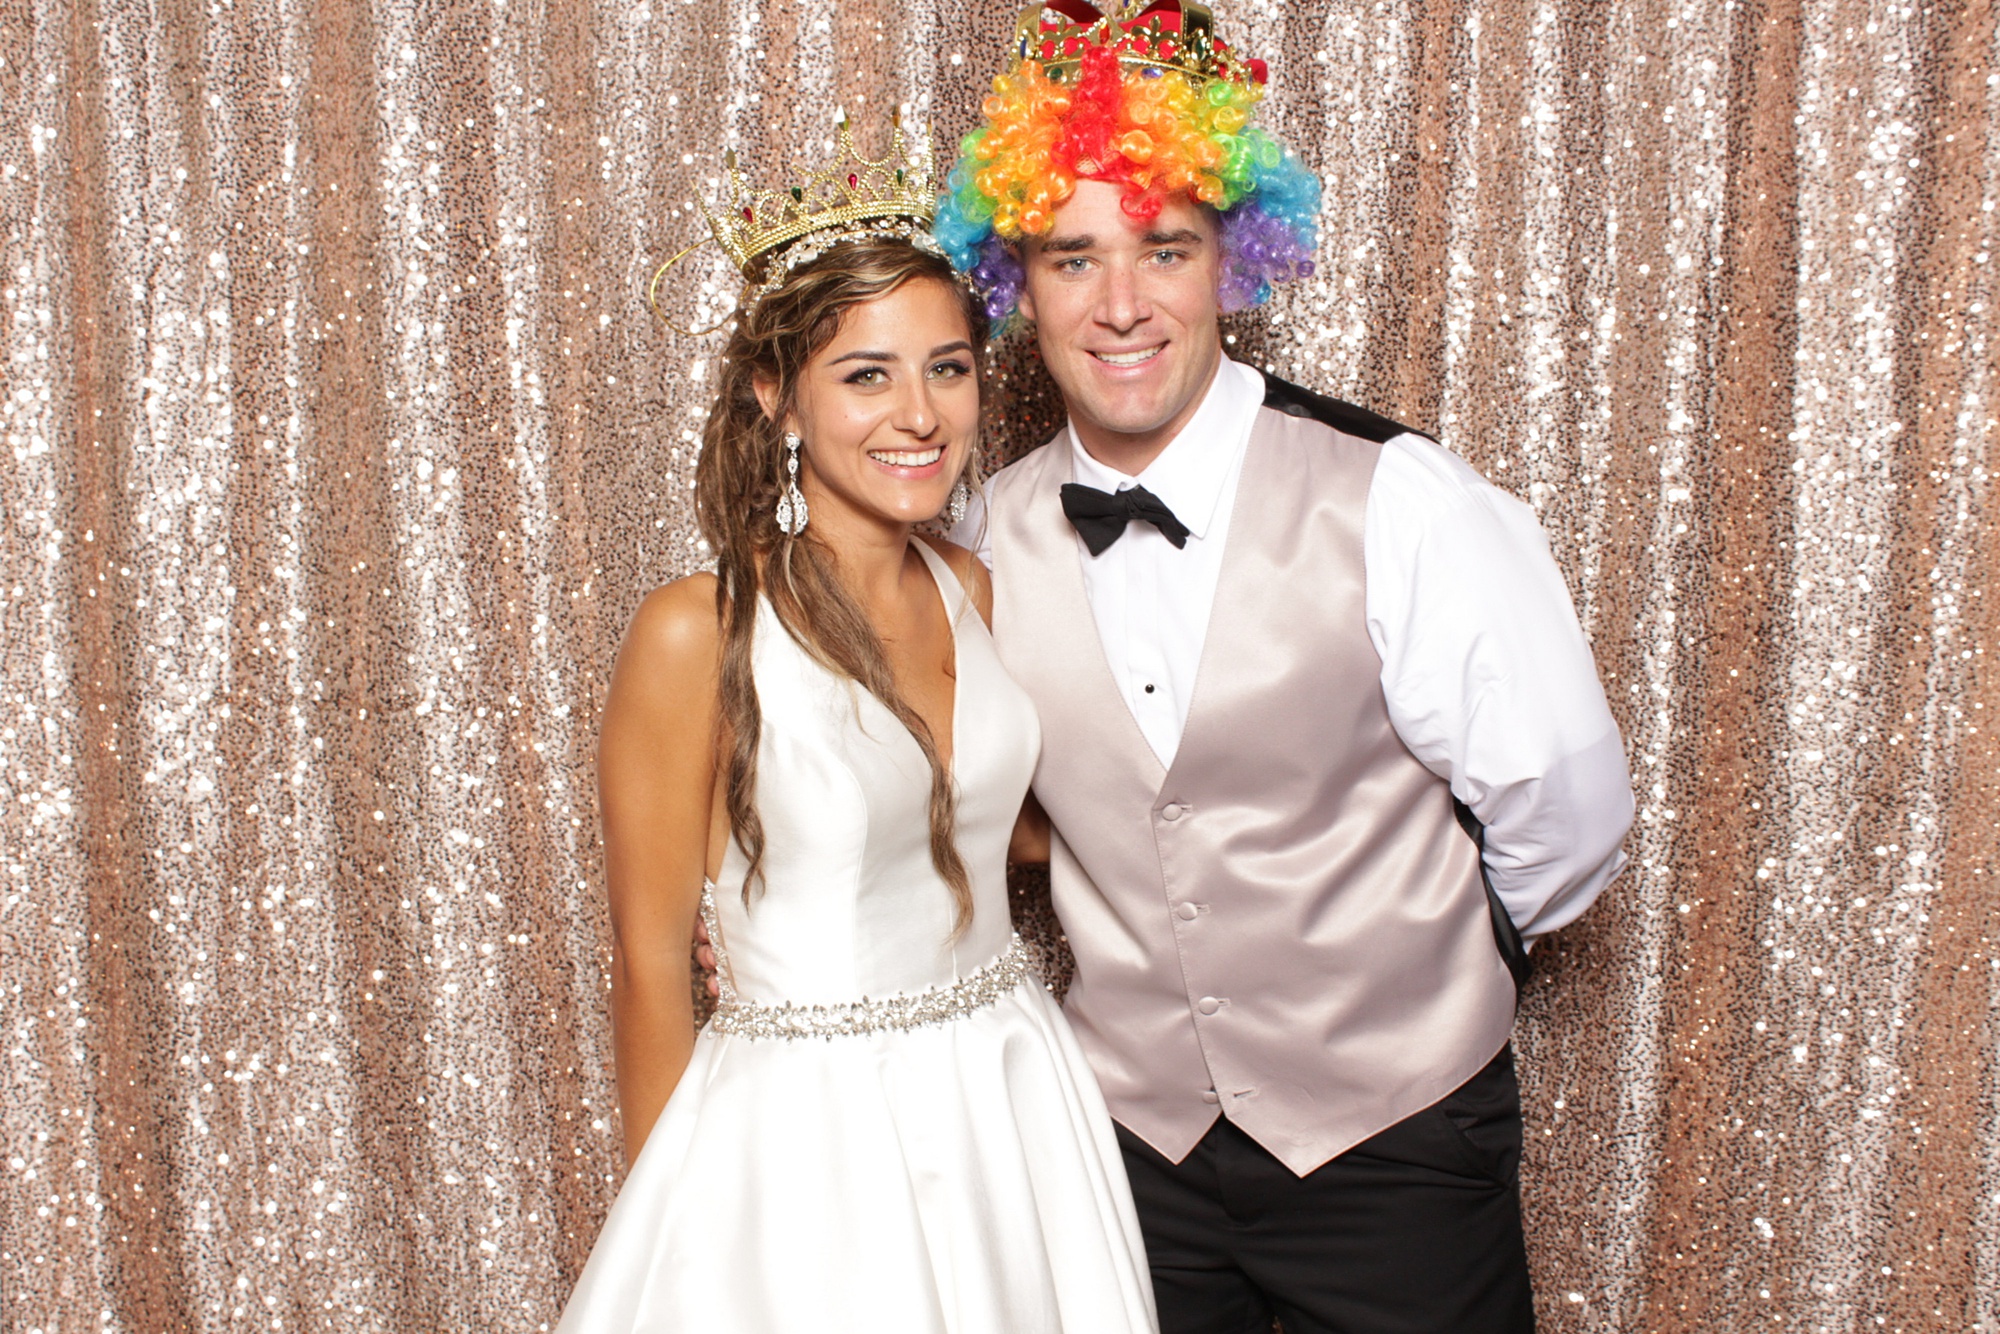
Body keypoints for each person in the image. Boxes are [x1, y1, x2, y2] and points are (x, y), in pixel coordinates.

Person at [929, 3, 1639, 1331]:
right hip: (1128, 1156)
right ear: (1018, 286)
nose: (1124, 303)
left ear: (1233, 262)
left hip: (1400, 1153)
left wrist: (1424, 974)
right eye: (1073, 259)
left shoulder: (1400, 496)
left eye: (1166, 249)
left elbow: (1567, 804)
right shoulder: (979, 538)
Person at [556, 116, 1157, 1333]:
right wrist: (679, 1229)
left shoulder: (969, 586)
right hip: (811, 1140)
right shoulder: (696, 630)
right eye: (865, 374)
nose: (918, 414)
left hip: (1008, 1088)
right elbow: (646, 961)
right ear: (778, 396)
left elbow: (978, 817)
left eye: (946, 366)